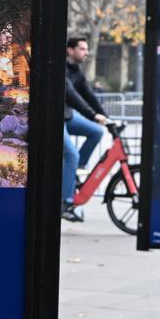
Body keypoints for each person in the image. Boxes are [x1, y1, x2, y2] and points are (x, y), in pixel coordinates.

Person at [62, 36, 108, 222]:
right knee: (72, 155)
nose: (86, 52)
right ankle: (65, 204)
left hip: (68, 117)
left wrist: (107, 118)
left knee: (97, 131)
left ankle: (74, 173)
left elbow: (89, 95)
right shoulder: (62, 67)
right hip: (56, 120)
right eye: (82, 49)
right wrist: (92, 115)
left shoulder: (77, 71)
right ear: (70, 50)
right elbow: (72, 96)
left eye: (86, 49)